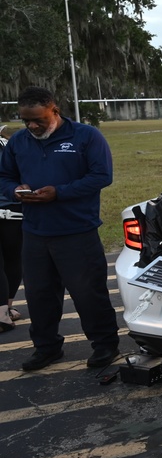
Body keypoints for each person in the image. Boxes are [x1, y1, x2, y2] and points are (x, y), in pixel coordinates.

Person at [0, 87, 119, 371]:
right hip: (35, 232)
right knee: (39, 296)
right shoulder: (18, 142)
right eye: (25, 120)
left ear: (54, 110)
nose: (32, 126)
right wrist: (15, 189)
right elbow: (4, 175)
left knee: (88, 292)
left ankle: (105, 345)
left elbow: (102, 176)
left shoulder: (86, 136)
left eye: (38, 119)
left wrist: (60, 192)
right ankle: (47, 347)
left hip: (77, 230)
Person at [0, 127, 23, 333]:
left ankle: (3, 310)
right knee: (13, 260)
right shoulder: (10, 142)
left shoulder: (9, 142)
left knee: (11, 260)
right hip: (12, 208)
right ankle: (4, 309)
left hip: (11, 208)